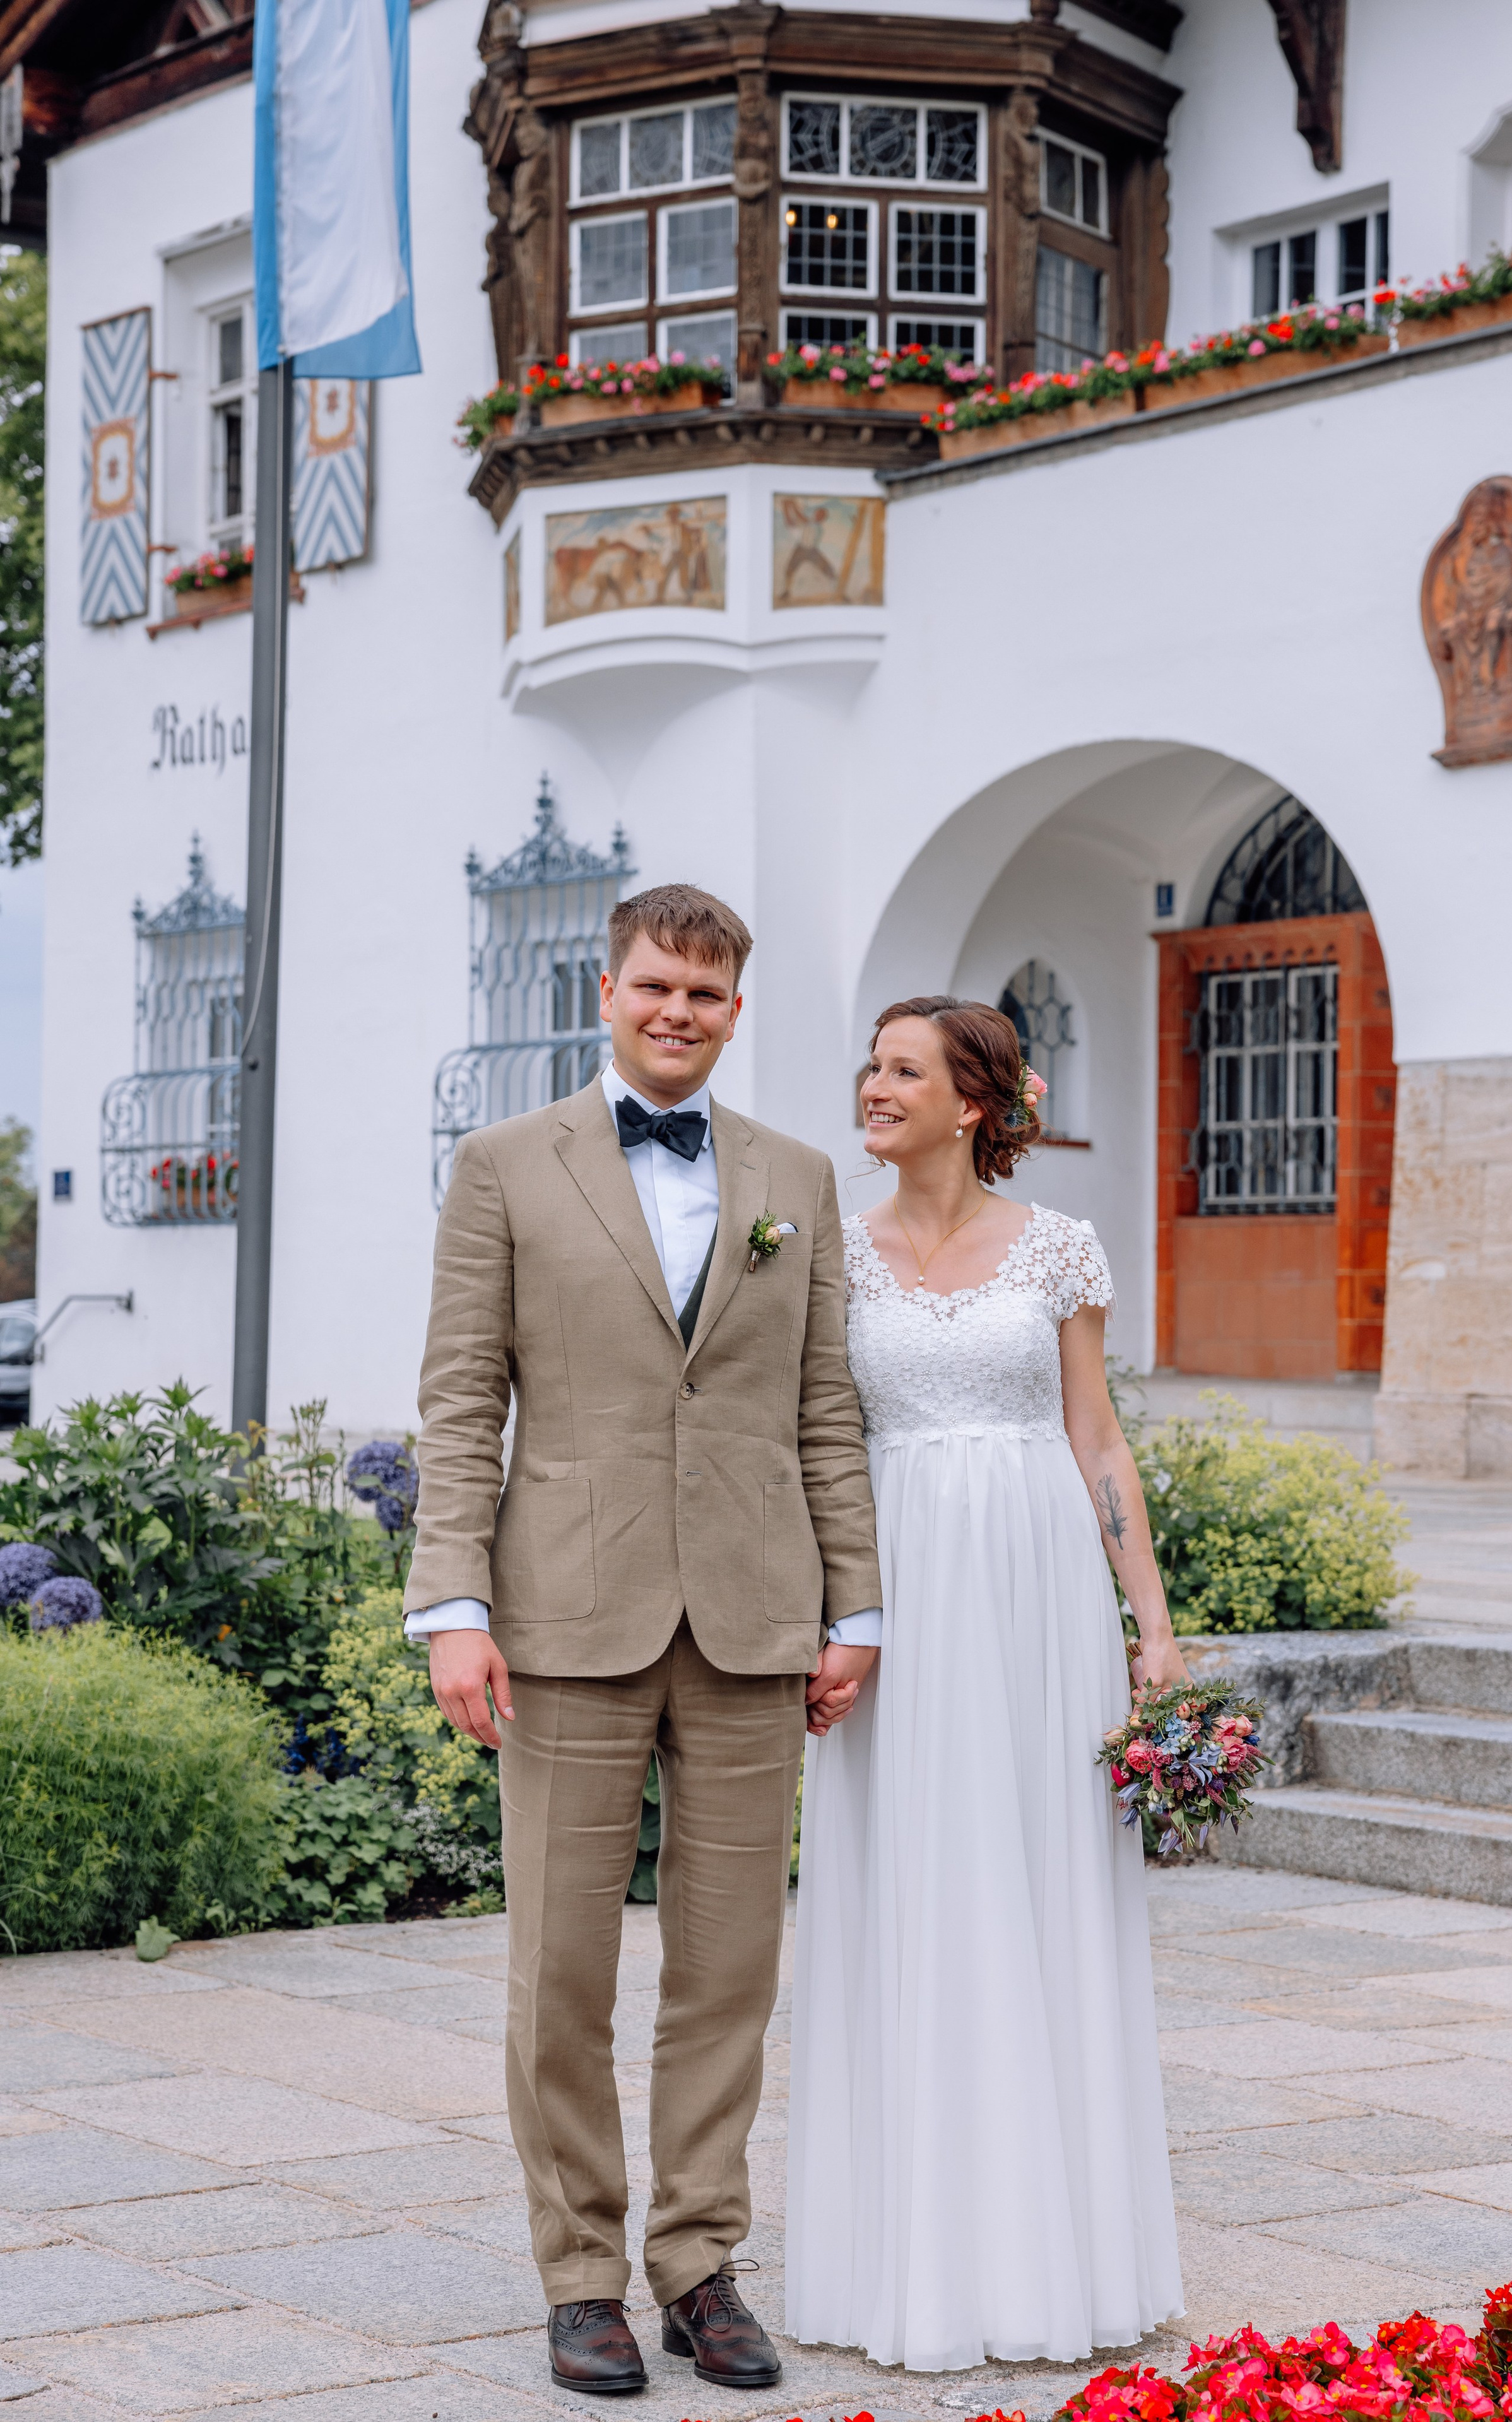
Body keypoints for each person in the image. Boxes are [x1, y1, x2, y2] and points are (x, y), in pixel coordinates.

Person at [405, 885, 882, 2397]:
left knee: (728, 1967)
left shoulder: (793, 1173)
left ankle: (698, 2259)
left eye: (705, 994)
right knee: (559, 1968)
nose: (677, 1012)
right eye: (654, 986)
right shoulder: (502, 1164)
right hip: (562, 1616)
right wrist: (454, 1609)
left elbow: (823, 1407)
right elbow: (459, 1399)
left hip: (753, 1618)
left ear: (737, 1010)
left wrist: (853, 1605)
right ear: (605, 990)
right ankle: (578, 2277)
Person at [786, 995, 1187, 2373]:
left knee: (1037, 1881)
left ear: (971, 1101)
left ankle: (1053, 2243)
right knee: (907, 1881)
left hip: (1032, 1597)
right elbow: (809, 1443)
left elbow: (1096, 1442)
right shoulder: (829, 1254)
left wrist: (1150, 1627)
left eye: (901, 1069)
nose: (870, 1086)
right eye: (869, 1066)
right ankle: (907, 2247)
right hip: (893, 1593)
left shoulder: (1060, 1246)